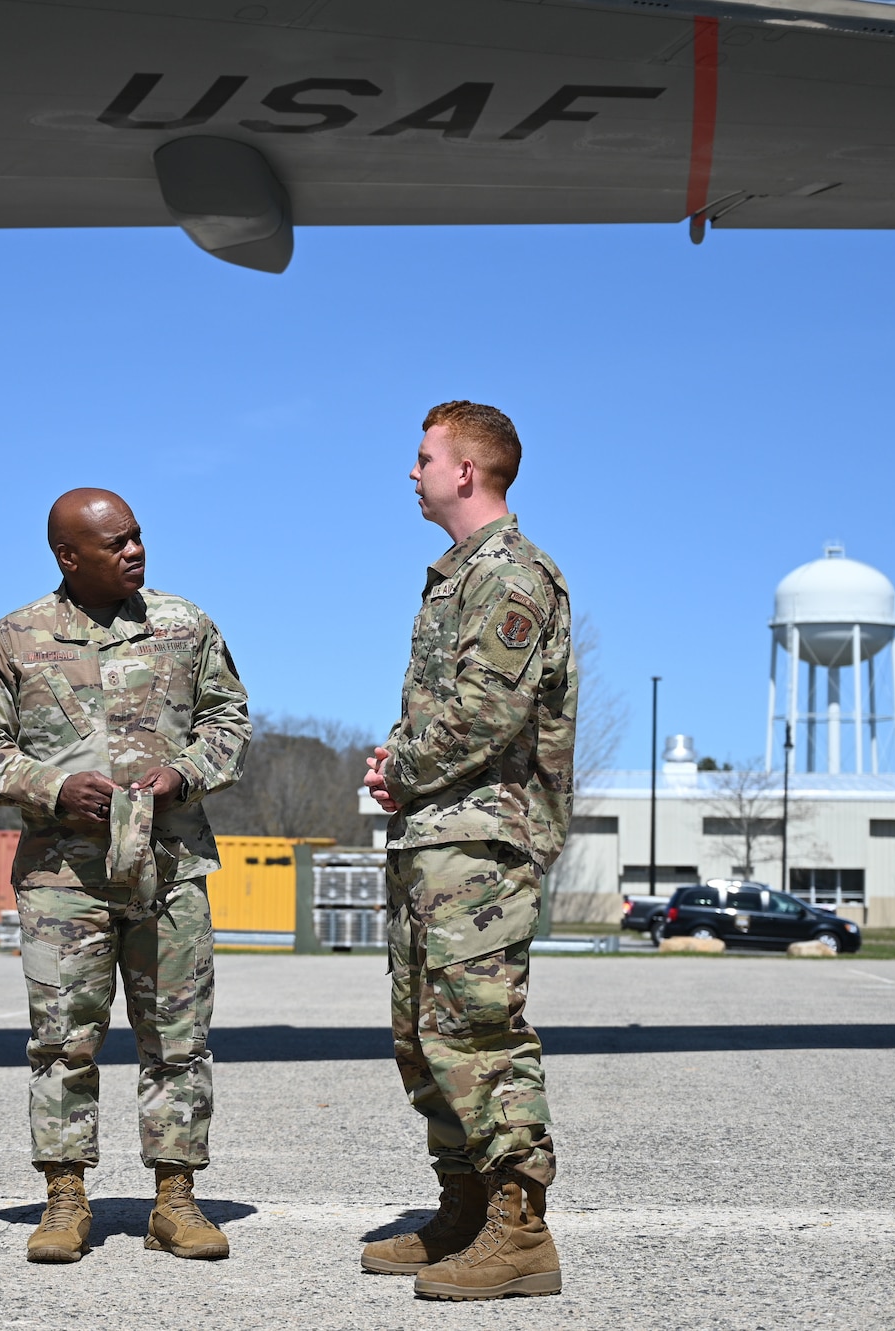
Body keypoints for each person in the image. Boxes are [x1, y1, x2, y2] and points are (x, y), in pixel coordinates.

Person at [0, 487, 251, 1265]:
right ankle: (64, 1196)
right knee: (62, 1042)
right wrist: (50, 786)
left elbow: (230, 720)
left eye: (138, 536)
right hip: (63, 877)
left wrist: (184, 773)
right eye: (115, 543)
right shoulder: (14, 639)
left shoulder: (186, 625)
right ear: (67, 556)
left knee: (178, 1040)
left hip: (168, 866)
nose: (134, 551)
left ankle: (176, 1198)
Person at [361, 402, 577, 1301]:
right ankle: (465, 1205)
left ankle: (520, 1228)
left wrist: (399, 764)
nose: (411, 473)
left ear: (466, 472)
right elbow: (455, 710)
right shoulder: (456, 578)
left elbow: (488, 714)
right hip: (437, 837)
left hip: (483, 844)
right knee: (425, 1034)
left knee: (479, 1030)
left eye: (423, 458)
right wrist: (399, 765)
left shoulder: (514, 575)